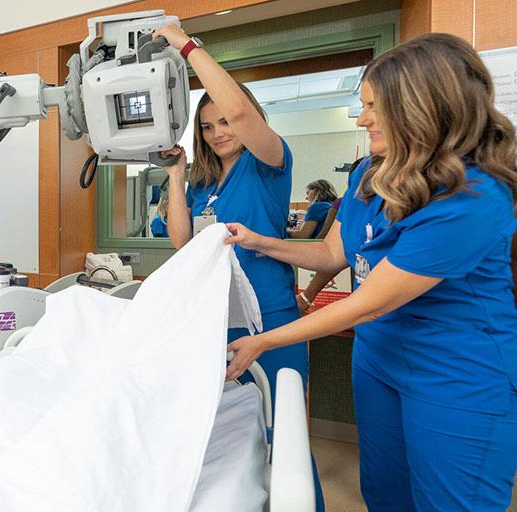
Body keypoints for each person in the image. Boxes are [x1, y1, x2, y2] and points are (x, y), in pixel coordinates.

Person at [224, 33, 517, 510]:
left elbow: (370, 299)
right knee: (383, 493)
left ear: (424, 107)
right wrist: (257, 241)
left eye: (373, 107)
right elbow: (330, 255)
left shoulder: (472, 197)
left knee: (448, 502)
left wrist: (266, 339)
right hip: (378, 359)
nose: (362, 119)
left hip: (455, 373)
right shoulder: (368, 174)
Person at [153, 23, 308, 397]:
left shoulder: (268, 162)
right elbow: (181, 241)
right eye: (207, 127)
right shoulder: (204, 182)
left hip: (270, 315)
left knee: (281, 430)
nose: (218, 133)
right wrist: (177, 176)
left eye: (224, 122)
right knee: (233, 428)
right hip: (218, 314)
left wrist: (187, 47)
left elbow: (239, 111)